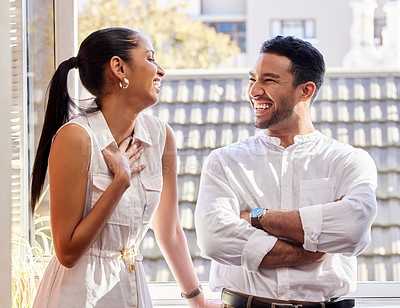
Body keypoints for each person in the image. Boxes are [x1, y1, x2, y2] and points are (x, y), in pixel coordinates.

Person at [31, 27, 220, 308]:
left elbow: (169, 231)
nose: (161, 71)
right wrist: (120, 181)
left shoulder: (160, 136)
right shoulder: (76, 138)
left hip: (132, 287)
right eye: (151, 59)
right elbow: (67, 252)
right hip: (77, 294)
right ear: (119, 68)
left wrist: (199, 302)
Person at [195, 35, 378, 308]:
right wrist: (313, 248)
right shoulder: (224, 161)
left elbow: (352, 231)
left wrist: (257, 218)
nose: (254, 90)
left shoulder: (349, 161)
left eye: (268, 80)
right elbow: (215, 240)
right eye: (252, 79)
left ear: (305, 91)